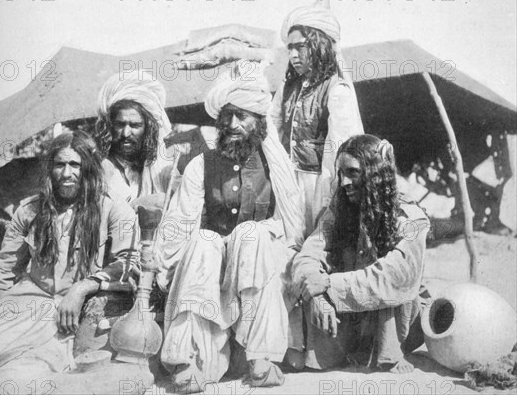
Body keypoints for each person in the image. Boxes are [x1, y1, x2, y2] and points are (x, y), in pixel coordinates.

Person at [0, 131, 137, 393]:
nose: (67, 173)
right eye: (60, 164)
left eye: (75, 165)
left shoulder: (114, 210)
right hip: (30, 300)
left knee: (19, 376)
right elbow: (4, 270)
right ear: (50, 169)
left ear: (89, 168)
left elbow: (127, 264)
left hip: (76, 307)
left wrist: (82, 288)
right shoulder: (29, 211)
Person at [157, 63, 305, 391]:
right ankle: (188, 359)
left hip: (262, 265)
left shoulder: (275, 168)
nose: (234, 124)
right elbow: (181, 223)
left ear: (259, 122)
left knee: (252, 234)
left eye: (243, 116)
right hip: (212, 269)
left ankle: (261, 357)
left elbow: (290, 227)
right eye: (228, 117)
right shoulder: (201, 165)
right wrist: (165, 267)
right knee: (205, 239)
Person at [289, 134, 430, 373]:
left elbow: (392, 278)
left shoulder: (411, 218)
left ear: (375, 174)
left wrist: (327, 285)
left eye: (353, 173)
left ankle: (388, 354)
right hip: (348, 312)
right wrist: (318, 297)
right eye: (341, 173)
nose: (344, 182)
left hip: (393, 317)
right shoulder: (339, 208)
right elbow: (308, 255)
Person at [269, 0, 364, 234]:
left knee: (318, 241)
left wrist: (329, 193)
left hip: (319, 184)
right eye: (289, 48)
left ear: (318, 45)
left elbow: (342, 147)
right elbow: (270, 127)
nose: (293, 55)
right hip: (287, 182)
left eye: (299, 47)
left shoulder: (336, 89)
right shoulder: (287, 88)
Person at [97, 71, 175, 203]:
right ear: (110, 126)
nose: (125, 133)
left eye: (135, 125)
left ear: (148, 129)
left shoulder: (161, 170)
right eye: (120, 124)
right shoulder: (98, 169)